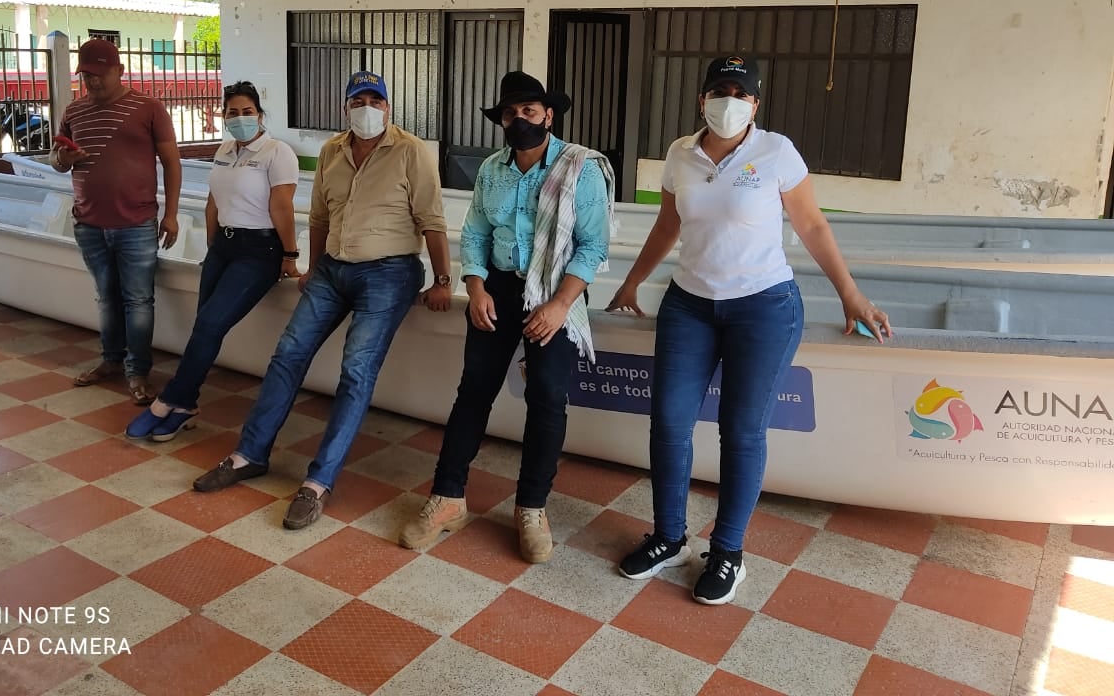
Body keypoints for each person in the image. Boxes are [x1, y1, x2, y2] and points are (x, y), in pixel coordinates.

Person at [606, 55, 891, 605]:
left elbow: (811, 223)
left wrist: (850, 292)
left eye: (740, 92)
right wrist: (632, 282)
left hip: (763, 307)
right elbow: (669, 223)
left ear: (755, 104)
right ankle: (669, 537)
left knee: (741, 431)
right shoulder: (679, 154)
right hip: (689, 305)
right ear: (701, 99)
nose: (728, 100)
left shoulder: (776, 151)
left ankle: (728, 552)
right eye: (719, 89)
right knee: (668, 422)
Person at [192, 70, 452, 531]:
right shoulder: (333, 150)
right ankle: (250, 453)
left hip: (389, 272)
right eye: (358, 100)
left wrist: (443, 279)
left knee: (355, 371)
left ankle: (318, 481)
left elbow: (432, 218)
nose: (366, 108)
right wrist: (311, 266)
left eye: (375, 100)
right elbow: (319, 215)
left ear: (388, 107)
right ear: (346, 107)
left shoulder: (412, 151)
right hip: (332, 268)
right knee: (287, 354)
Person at [399, 71, 613, 564]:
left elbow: (593, 245)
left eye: (530, 112)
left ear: (549, 116)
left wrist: (560, 305)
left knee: (546, 398)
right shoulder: (492, 169)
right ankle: (448, 496)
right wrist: (475, 287)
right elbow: (474, 232)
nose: (520, 121)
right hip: (496, 289)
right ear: (501, 121)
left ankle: (532, 508)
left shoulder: (578, 168)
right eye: (511, 114)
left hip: (554, 294)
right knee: (474, 391)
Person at [124, 81, 300, 442]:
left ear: (260, 115)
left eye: (247, 112)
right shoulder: (224, 149)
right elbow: (213, 202)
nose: (240, 118)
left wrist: (290, 254)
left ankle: (169, 399)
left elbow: (281, 207)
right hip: (224, 247)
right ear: (224, 116)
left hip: (259, 251)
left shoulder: (277, 152)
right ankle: (186, 405)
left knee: (210, 323)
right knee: (205, 324)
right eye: (232, 112)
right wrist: (212, 246)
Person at [50, 37, 182, 406]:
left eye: (98, 74)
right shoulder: (74, 112)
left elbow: (171, 162)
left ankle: (137, 371)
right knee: (106, 297)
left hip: (136, 223)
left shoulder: (148, 108)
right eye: (85, 75)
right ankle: (111, 361)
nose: (92, 82)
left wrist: (170, 214)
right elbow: (56, 160)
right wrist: (64, 160)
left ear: (119, 71)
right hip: (89, 223)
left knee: (138, 299)